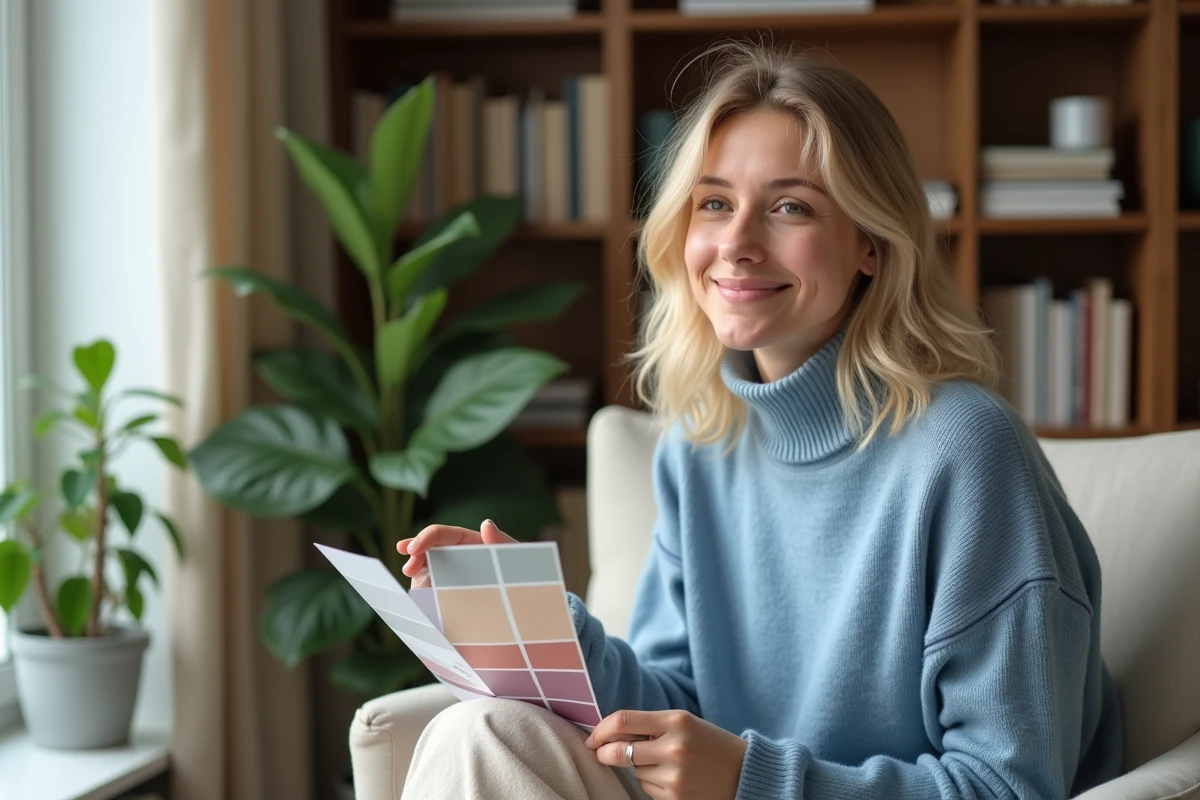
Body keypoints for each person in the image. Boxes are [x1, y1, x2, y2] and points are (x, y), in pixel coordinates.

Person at [395, 41, 1123, 800]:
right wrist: (544, 629)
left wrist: (756, 779)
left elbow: (1012, 785)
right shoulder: (699, 443)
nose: (736, 245)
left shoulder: (967, 451)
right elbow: (674, 712)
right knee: (477, 730)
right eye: (714, 203)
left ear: (871, 244)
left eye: (790, 207)